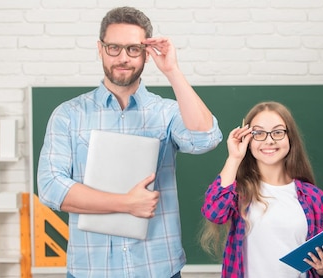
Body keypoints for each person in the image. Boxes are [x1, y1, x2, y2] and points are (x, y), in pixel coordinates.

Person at [36, 6, 222, 278]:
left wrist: (172, 71)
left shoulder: (166, 112)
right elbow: (51, 187)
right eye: (114, 48)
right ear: (100, 49)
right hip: (91, 271)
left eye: (133, 49)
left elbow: (206, 138)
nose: (123, 58)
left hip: (158, 269)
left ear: (146, 54)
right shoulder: (68, 115)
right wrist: (126, 203)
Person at [200, 101, 323, 278]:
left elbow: (318, 268)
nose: (269, 140)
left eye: (278, 132)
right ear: (248, 140)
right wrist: (234, 157)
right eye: (258, 133)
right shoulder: (238, 192)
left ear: (290, 138)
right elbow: (214, 213)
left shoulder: (313, 197)